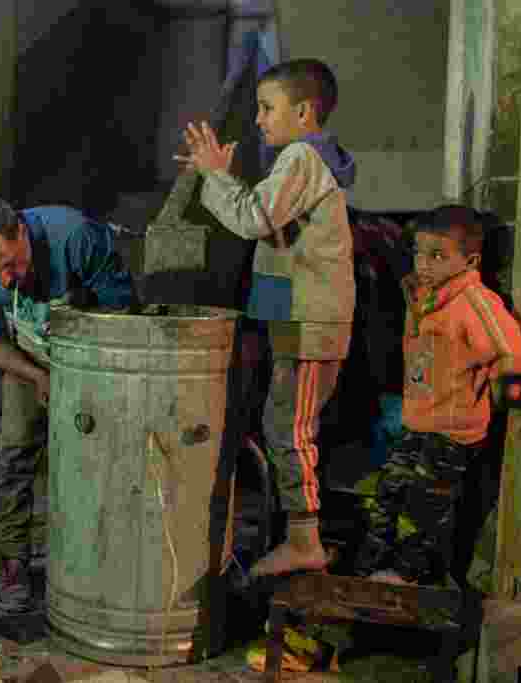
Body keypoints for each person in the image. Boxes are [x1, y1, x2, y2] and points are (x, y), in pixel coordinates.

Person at [175, 59, 357, 577]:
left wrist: (214, 175)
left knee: (288, 430)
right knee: (283, 426)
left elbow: (253, 218)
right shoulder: (303, 160)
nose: (257, 119)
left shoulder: (302, 156)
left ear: (303, 112)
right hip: (293, 319)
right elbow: (274, 234)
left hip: (308, 323)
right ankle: (295, 533)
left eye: (266, 108)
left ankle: (305, 541)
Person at [0, 198, 134, 610]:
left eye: (9, 265)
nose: (5, 281)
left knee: (105, 456)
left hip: (98, 355)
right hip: (30, 358)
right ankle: (13, 561)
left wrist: (88, 377)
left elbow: (123, 313)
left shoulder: (75, 237)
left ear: (21, 230)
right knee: (14, 451)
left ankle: (107, 561)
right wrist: (35, 375)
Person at [352, 206, 521, 585]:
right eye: (419, 253)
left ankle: (407, 577)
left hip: (452, 432)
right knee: (387, 495)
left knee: (424, 510)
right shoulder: (424, 297)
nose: (424, 264)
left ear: (471, 261)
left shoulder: (475, 302)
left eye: (438, 256)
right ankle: (370, 571)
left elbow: (511, 353)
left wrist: (494, 394)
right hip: (418, 422)